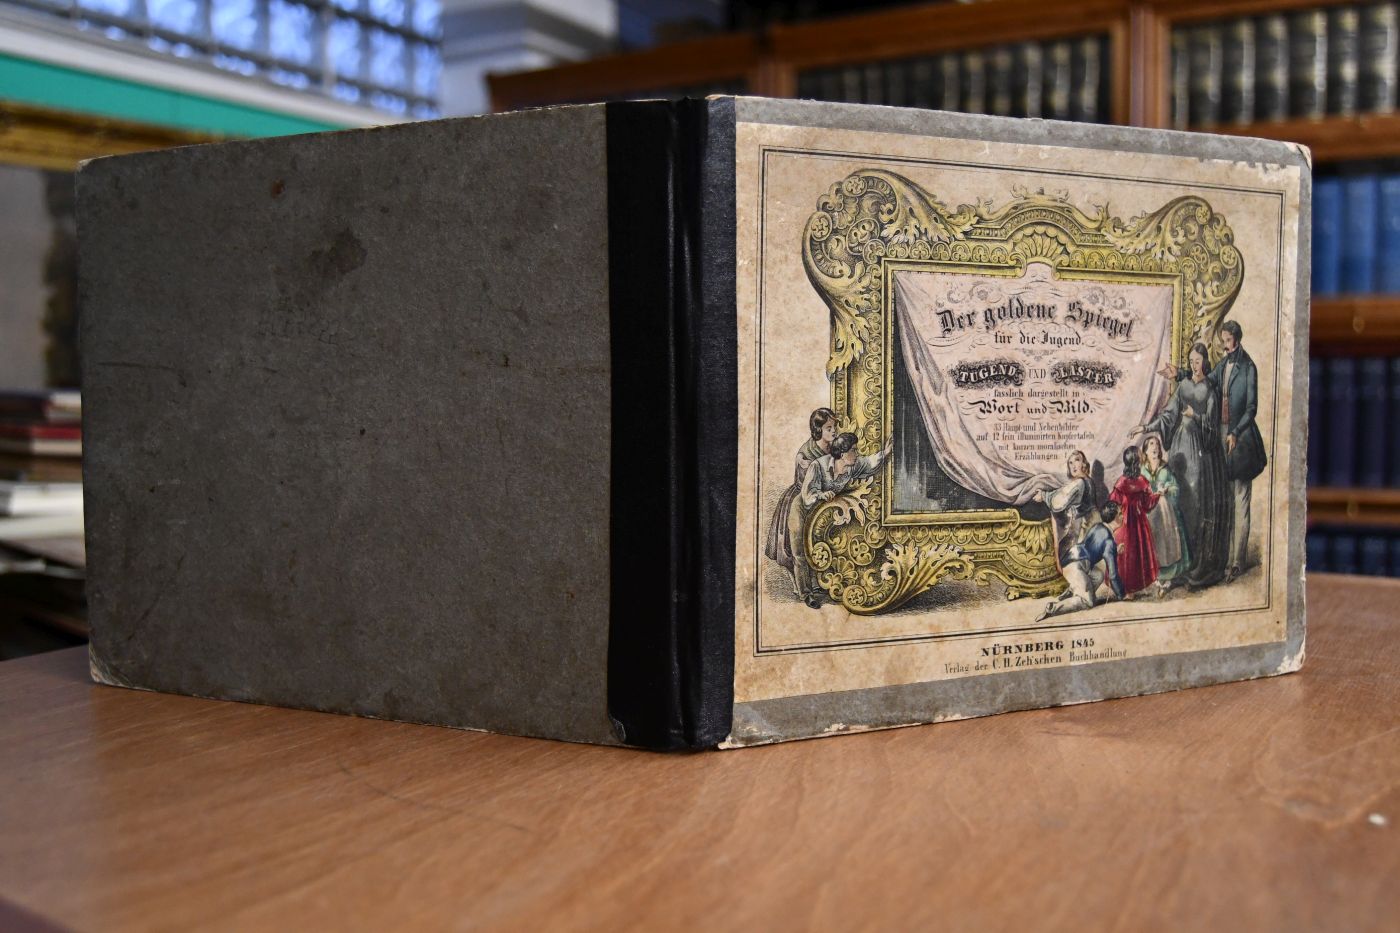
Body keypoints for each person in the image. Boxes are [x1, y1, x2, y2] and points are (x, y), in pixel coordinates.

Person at [1140, 341, 1232, 588]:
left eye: (1197, 361)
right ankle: (1180, 564)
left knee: (1197, 502)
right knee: (1179, 502)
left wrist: (1195, 416)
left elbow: (1213, 426)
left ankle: (1198, 566)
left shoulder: (1209, 390)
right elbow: (1168, 415)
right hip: (1180, 449)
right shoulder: (1183, 386)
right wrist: (1146, 428)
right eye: (1191, 361)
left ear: (1205, 362)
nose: (1194, 365)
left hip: (1201, 454)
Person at [793, 432, 894, 607]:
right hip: (802, 509)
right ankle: (806, 594)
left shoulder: (851, 466)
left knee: (821, 549)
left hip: (822, 513)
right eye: (853, 450)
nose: (857, 453)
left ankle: (820, 586)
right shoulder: (818, 466)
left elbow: (869, 463)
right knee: (799, 551)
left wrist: (885, 452)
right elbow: (807, 495)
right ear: (842, 453)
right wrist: (821, 494)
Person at [766, 408, 837, 598]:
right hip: (803, 498)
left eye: (834, 427)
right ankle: (800, 587)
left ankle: (816, 582)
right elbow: (808, 487)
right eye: (829, 428)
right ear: (818, 430)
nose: (833, 431)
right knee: (795, 546)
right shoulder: (806, 453)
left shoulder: (832, 447)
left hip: (822, 498)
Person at [1036, 501, 1126, 620]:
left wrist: (1114, 550)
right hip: (1075, 566)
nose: (1123, 516)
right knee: (1088, 602)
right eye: (1120, 514)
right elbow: (1113, 575)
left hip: (1071, 559)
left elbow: (1096, 546)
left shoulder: (1098, 527)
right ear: (1114, 518)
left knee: (1098, 575)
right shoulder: (1109, 541)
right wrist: (1121, 594)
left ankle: (1073, 591)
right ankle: (1052, 608)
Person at [1032, 450, 1099, 567]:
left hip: (1081, 532)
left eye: (1077, 460)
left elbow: (1058, 503)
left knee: (1061, 558)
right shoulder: (1090, 481)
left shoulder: (1079, 483)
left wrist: (1043, 495)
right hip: (1094, 529)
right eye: (1070, 463)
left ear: (1084, 464)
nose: (1073, 466)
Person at [1141, 434, 1190, 594]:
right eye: (1151, 444)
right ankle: (1154, 576)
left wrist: (1167, 490)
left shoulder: (1165, 469)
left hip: (1166, 514)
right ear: (1145, 451)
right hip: (1149, 513)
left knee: (1167, 542)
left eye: (1157, 444)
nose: (1155, 447)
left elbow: (1176, 488)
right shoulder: (1142, 470)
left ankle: (1168, 577)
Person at [1108, 446, 1159, 596]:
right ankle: (1131, 587)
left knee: (1128, 554)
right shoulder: (1142, 481)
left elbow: (1112, 503)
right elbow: (1148, 504)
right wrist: (1158, 495)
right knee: (1135, 553)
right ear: (1137, 462)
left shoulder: (1121, 482)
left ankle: (1127, 589)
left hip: (1125, 524)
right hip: (1138, 523)